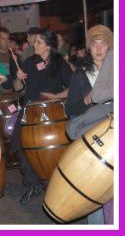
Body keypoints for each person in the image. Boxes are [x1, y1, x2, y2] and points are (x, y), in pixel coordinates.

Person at [12, 29, 73, 204]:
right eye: (35, 41)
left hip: (53, 109)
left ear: (48, 44)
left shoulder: (60, 63)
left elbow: (72, 88)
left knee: (54, 145)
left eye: (39, 42)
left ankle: (58, 180)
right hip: (30, 108)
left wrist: (57, 96)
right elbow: (16, 87)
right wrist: (17, 78)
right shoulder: (30, 62)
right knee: (18, 141)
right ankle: (33, 183)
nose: (34, 44)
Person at [64, 24, 113, 224]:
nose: (99, 48)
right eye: (95, 44)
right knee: (96, 189)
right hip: (94, 138)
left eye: (103, 44)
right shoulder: (80, 75)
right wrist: (86, 101)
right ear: (89, 48)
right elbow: (70, 110)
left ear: (109, 47)